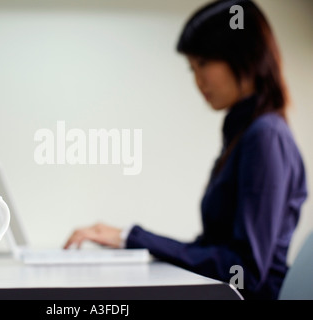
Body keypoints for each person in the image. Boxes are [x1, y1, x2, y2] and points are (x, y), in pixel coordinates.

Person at [63, 0, 308, 300]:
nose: (198, 81)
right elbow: (210, 249)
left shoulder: (265, 136)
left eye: (203, 64)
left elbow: (244, 271)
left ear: (245, 55)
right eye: (191, 68)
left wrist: (131, 236)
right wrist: (130, 239)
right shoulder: (245, 134)